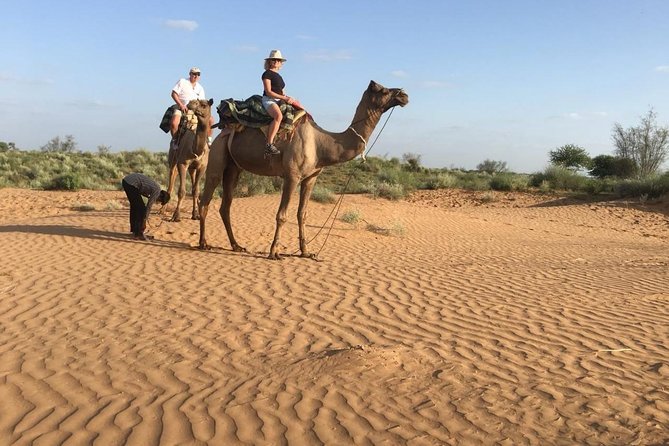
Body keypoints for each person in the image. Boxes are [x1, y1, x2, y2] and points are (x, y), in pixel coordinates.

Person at [261, 49, 301, 156]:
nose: (276, 62)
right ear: (269, 62)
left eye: (278, 60)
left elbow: (283, 92)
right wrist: (283, 98)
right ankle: (269, 144)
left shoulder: (279, 77)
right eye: (274, 60)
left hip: (279, 100)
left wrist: (290, 98)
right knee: (278, 116)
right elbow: (269, 92)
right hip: (269, 100)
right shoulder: (267, 74)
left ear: (280, 63)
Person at [169, 67, 211, 149]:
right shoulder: (182, 81)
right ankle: (175, 141)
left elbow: (202, 102)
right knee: (174, 122)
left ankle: (208, 140)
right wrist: (181, 105)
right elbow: (174, 94)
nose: (196, 76)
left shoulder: (200, 88)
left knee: (210, 120)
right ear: (190, 74)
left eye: (198, 74)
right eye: (194, 74)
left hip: (196, 110)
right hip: (182, 107)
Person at [121, 173, 170, 241]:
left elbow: (142, 191)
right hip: (131, 184)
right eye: (159, 201)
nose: (157, 202)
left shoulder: (155, 189)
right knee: (141, 209)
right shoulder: (157, 191)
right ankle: (139, 234)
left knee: (135, 207)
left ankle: (135, 230)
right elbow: (149, 206)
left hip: (127, 182)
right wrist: (144, 220)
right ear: (161, 196)